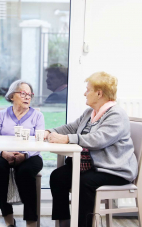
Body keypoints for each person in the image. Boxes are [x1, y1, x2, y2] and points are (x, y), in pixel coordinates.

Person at [45, 72, 138, 227]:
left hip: (114, 170)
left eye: (87, 90)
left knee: (85, 182)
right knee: (57, 176)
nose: (84, 93)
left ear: (99, 93)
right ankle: (64, 223)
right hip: (94, 167)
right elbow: (71, 128)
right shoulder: (90, 113)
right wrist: (50, 131)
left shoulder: (116, 114)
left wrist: (68, 139)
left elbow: (98, 140)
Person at [0, 80, 45, 227]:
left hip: (30, 156)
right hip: (2, 154)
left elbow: (39, 143)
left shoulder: (37, 116)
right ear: (12, 96)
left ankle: (31, 222)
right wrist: (3, 153)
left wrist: (25, 155)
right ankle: (9, 220)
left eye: (30, 94)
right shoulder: (1, 115)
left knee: (25, 172)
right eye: (23, 93)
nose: (27, 97)